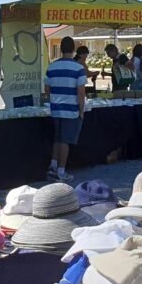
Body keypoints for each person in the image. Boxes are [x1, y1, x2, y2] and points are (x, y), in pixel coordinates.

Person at [46, 37, 86, 182]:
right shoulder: (78, 68)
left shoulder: (51, 66)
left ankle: (53, 165)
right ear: (73, 49)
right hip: (71, 109)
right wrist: (82, 111)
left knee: (57, 138)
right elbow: (81, 93)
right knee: (65, 140)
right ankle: (61, 171)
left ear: (61, 49)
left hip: (55, 107)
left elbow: (47, 88)